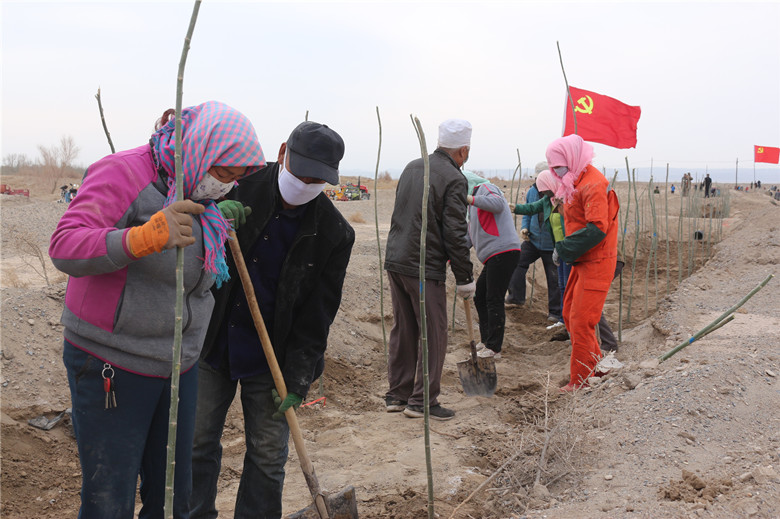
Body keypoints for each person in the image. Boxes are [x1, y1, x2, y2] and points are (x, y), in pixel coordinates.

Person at [48, 101, 265, 518]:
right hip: (113, 360)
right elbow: (65, 245)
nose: (227, 186)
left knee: (172, 499)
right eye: (224, 173)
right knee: (109, 500)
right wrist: (140, 238)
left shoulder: (198, 190)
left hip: (177, 366)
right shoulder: (123, 172)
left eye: (237, 179)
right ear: (200, 149)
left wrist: (215, 220)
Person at [189, 122, 353, 518]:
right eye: (301, 174)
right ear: (282, 154)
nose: (307, 184)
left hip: (274, 357)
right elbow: (183, 219)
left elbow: (318, 317)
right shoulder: (236, 184)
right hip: (214, 339)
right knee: (196, 441)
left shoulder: (334, 233)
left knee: (267, 453)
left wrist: (298, 378)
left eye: (318, 179)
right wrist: (207, 221)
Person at [384, 118, 475, 421]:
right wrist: (464, 277)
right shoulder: (454, 177)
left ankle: (398, 394)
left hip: (397, 260)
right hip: (423, 268)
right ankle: (422, 401)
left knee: (405, 328)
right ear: (463, 149)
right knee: (433, 332)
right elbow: (455, 233)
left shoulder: (412, 166)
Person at [546, 134, 619, 392]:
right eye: (552, 167)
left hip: (597, 259)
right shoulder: (577, 181)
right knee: (569, 314)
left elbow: (597, 227)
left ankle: (581, 379)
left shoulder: (593, 184)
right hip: (583, 259)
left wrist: (563, 248)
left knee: (581, 320)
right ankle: (598, 366)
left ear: (571, 159)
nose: (555, 171)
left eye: (558, 165)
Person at [465, 175, 522, 359]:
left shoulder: (486, 189)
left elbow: (498, 204)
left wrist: (470, 199)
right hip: (494, 255)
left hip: (504, 251)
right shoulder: (472, 206)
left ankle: (494, 348)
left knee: (493, 298)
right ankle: (487, 340)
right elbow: (470, 236)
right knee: (480, 296)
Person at [505, 162, 561, 322]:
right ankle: (516, 298)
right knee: (516, 261)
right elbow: (529, 211)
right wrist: (524, 228)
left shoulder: (557, 196)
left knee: (554, 279)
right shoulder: (532, 191)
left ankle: (555, 313)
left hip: (552, 246)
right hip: (534, 240)